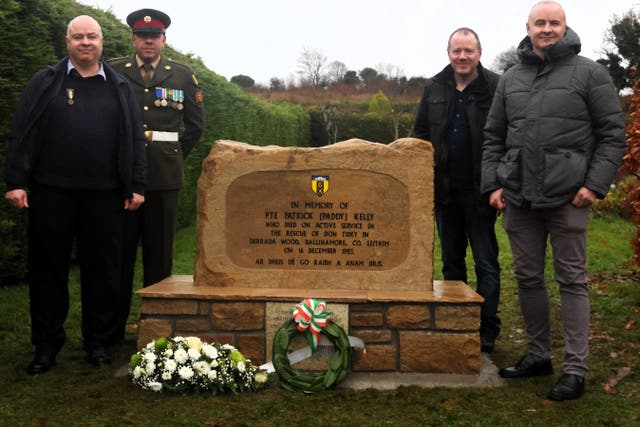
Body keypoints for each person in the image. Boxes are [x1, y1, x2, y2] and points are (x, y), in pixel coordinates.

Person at [482, 1, 626, 401]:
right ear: (527, 27)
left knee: (572, 281)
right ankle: (539, 355)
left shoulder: (590, 73)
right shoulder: (510, 78)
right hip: (519, 199)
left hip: (569, 199)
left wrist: (594, 185)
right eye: (540, 23)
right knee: (528, 279)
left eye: (554, 23)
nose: (547, 29)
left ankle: (575, 369)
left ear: (565, 27)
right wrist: (493, 185)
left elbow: (613, 136)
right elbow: (493, 137)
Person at [4, 15, 146, 374]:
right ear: (67, 42)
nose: (85, 42)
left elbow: (134, 140)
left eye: (92, 37)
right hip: (51, 193)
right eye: (78, 37)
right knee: (47, 271)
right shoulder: (46, 81)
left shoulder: (119, 86)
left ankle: (97, 342)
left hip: (105, 196)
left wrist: (136, 185)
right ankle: (46, 346)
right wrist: (16, 181)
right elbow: (22, 132)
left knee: (102, 272)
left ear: (102, 43)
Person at [108, 9, 204, 344]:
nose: (148, 41)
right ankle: (112, 328)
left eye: (155, 36)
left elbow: (194, 127)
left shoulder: (181, 75)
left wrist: (172, 156)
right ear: (133, 39)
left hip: (164, 175)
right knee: (119, 254)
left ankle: (157, 328)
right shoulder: (115, 70)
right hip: (121, 175)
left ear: (164, 39)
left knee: (159, 253)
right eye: (142, 35)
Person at [414, 27, 502, 353]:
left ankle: (487, 327)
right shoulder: (434, 86)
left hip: (481, 192)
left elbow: (504, 137)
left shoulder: (496, 87)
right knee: (452, 263)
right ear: (448, 53)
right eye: (457, 51)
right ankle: (455, 323)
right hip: (445, 193)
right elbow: (421, 134)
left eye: (468, 50)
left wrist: (499, 182)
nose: (462, 57)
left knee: (486, 263)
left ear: (479, 52)